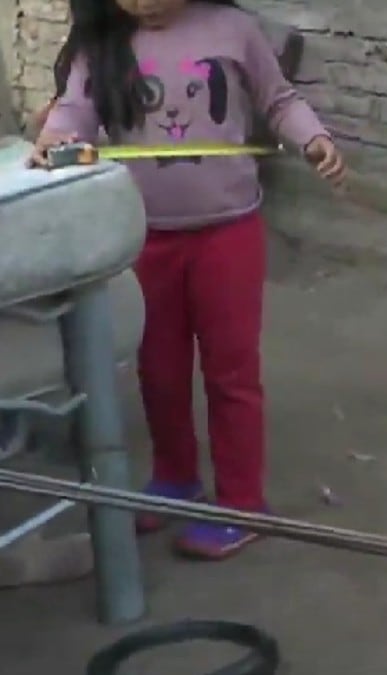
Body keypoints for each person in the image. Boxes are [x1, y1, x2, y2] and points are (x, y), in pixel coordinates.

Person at [29, 0, 347, 560]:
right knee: (159, 369)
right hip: (143, 236)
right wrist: (55, 137)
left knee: (231, 370)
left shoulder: (234, 30)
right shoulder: (100, 44)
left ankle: (243, 502)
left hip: (229, 234)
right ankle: (176, 480)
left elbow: (279, 99)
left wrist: (313, 139)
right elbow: (74, 109)